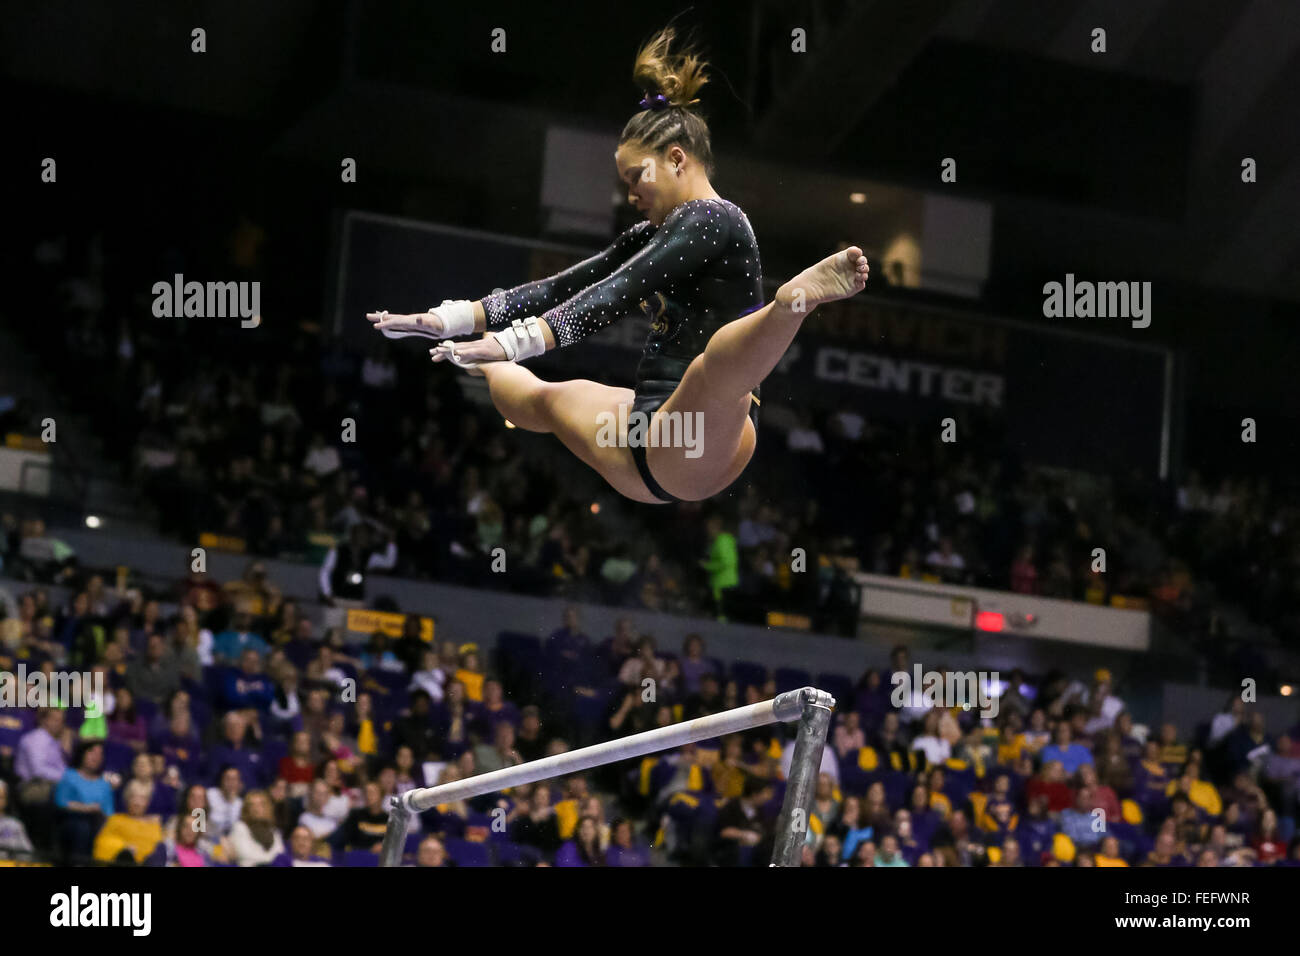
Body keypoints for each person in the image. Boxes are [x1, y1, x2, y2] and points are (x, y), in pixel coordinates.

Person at [369, 26, 867, 505]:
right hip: (643, 445)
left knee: (711, 370)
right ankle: (483, 363)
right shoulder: (656, 233)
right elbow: (561, 288)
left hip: (699, 437)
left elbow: (619, 291)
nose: (630, 195)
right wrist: (451, 319)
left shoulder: (717, 221)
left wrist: (516, 336)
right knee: (537, 399)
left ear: (677, 159)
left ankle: (792, 304)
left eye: (636, 178)